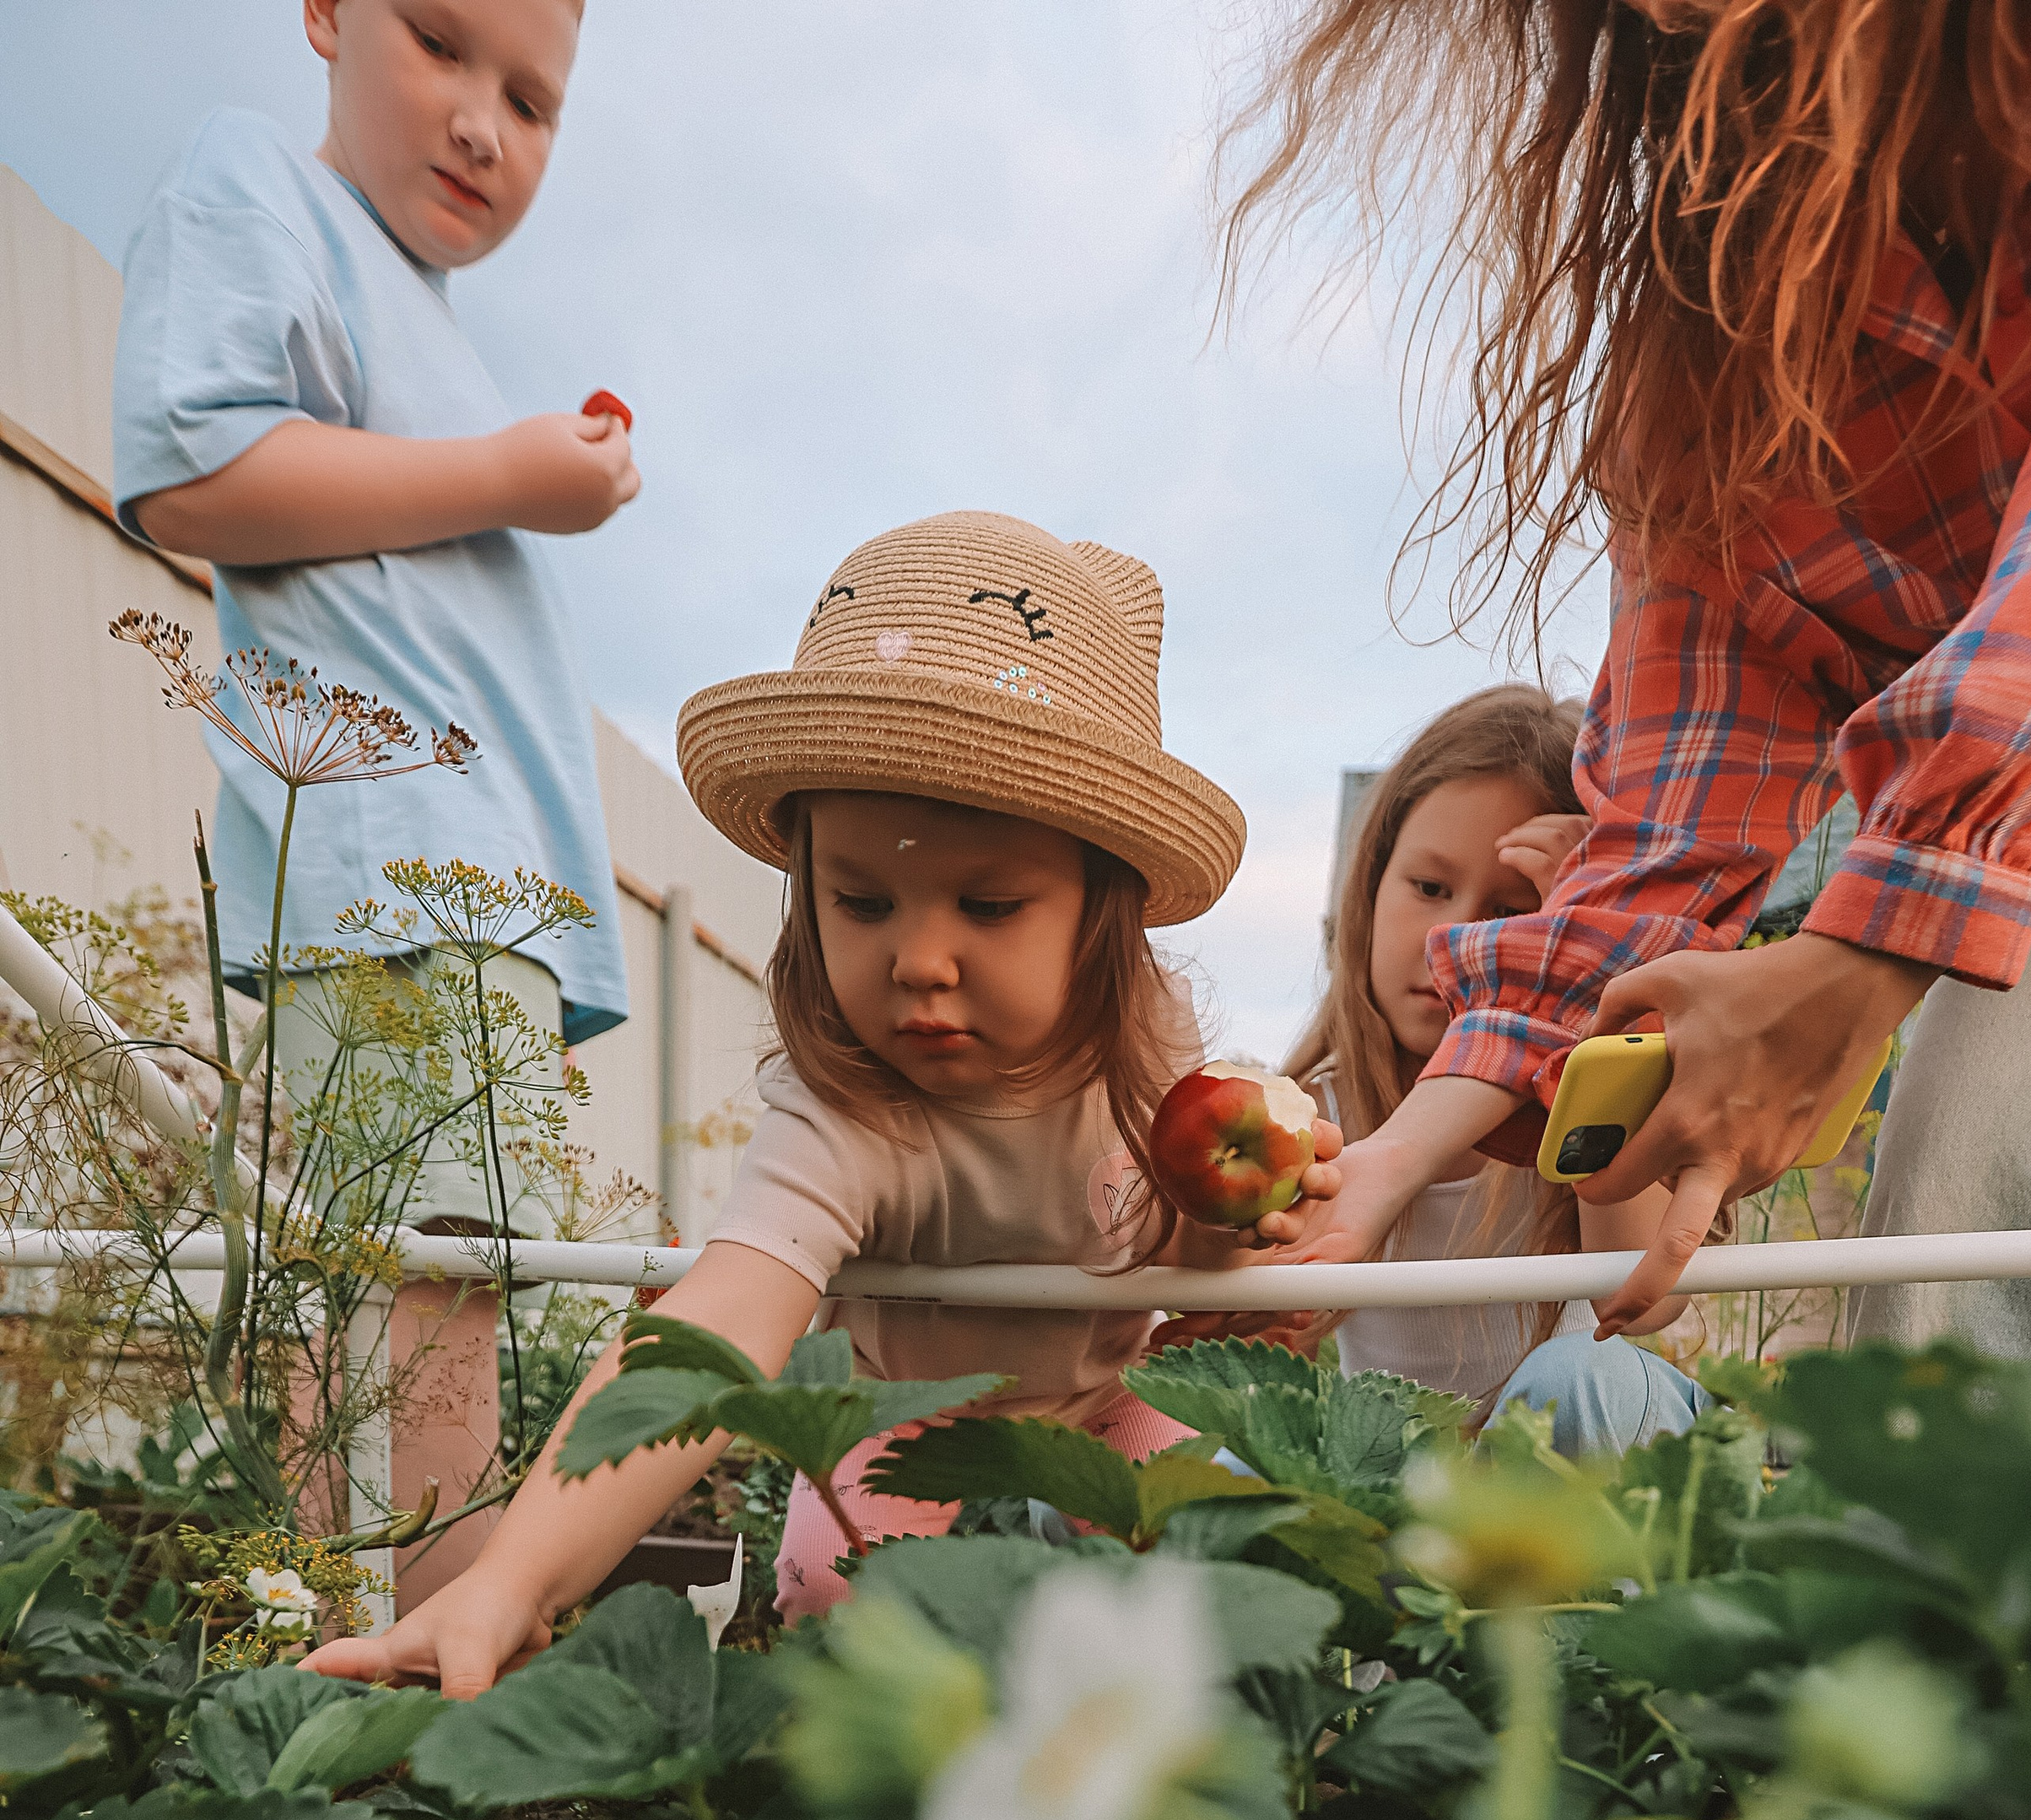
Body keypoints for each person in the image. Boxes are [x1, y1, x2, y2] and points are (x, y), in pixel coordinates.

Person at [1233, 0, 2031, 1380]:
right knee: (1960, 1192)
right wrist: (1391, 1162)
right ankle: (1944, 1528)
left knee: (1978, 1161)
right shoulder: (1723, 299)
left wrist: (1862, 957)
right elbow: (1683, 796)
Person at [306, 508, 1303, 1689]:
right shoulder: (850, 1117)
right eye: (862, 902)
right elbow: (715, 1328)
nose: (918, 961)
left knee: (1214, 1546)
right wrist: (510, 1580)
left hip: (1108, 1412)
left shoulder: (1155, 1064)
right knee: (843, 1594)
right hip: (906, 1431)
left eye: (989, 907)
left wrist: (1239, 1224)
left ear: (1108, 909)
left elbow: (1176, 1256)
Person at [112, 0, 636, 1583]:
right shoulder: (259, 179)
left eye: (532, 102)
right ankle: (412, 1691)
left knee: (397, 1301)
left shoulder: (429, 323)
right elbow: (189, 465)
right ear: (329, 14)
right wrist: (512, 478)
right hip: (404, 862)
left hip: (463, 888)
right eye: (440, 41)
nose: (483, 122)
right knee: (426, 1301)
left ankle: (344, 1652)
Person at [1286, 683, 1710, 1454]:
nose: (1453, 940)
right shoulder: (1313, 1114)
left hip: (1592, 1456)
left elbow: (1638, 1302)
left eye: (1512, 915)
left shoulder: (1609, 1089)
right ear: (1369, 889)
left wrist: (1589, 968)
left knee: (1575, 1377)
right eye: (1430, 889)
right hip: (1404, 1480)